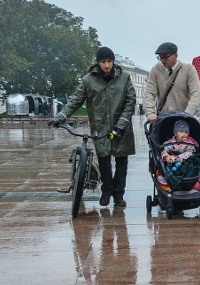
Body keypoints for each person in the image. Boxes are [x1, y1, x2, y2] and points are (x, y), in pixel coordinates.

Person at [49, 46, 136, 207]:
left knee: (122, 162)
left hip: (121, 126)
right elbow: (75, 100)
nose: (107, 65)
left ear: (113, 62)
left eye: (109, 61)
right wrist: (60, 117)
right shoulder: (88, 80)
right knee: (104, 161)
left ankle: (119, 194)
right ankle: (107, 190)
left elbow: (130, 102)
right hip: (100, 126)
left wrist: (121, 124)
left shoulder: (124, 78)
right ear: (98, 63)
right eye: (103, 62)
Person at [142, 42, 200, 123]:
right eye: (160, 58)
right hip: (163, 118)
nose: (163, 61)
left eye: (166, 57)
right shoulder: (155, 70)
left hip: (184, 118)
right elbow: (149, 93)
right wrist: (150, 113)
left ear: (176, 55)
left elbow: (196, 94)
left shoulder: (188, 69)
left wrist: (186, 114)